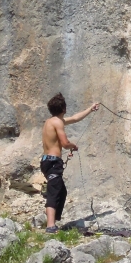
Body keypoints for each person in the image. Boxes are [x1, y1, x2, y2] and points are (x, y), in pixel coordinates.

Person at [40, 93, 100, 232]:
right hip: (53, 162)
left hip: (47, 161)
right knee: (54, 191)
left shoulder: (50, 121)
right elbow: (65, 143)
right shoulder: (57, 122)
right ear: (64, 108)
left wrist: (90, 109)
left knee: (61, 191)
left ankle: (52, 220)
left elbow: (74, 118)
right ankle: (50, 226)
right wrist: (73, 146)